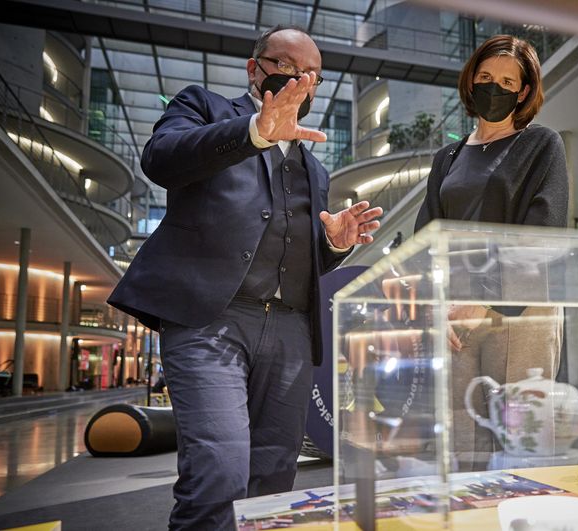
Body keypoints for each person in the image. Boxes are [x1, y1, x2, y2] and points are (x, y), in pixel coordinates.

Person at [107, 25, 382, 529]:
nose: (300, 79)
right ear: (255, 69)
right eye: (287, 67)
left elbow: (303, 261)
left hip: (291, 330)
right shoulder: (204, 108)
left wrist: (334, 244)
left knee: (275, 473)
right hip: (210, 319)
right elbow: (161, 159)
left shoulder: (315, 169)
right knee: (218, 468)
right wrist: (255, 132)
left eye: (312, 75)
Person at [414, 35, 569, 469]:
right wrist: (435, 303)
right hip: (454, 317)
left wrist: (484, 301)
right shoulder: (448, 157)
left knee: (519, 441)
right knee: (461, 442)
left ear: (523, 92)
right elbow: (425, 237)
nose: (493, 87)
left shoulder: (540, 145)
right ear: (470, 81)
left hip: (519, 308)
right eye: (485, 77)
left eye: (506, 81)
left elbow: (544, 233)